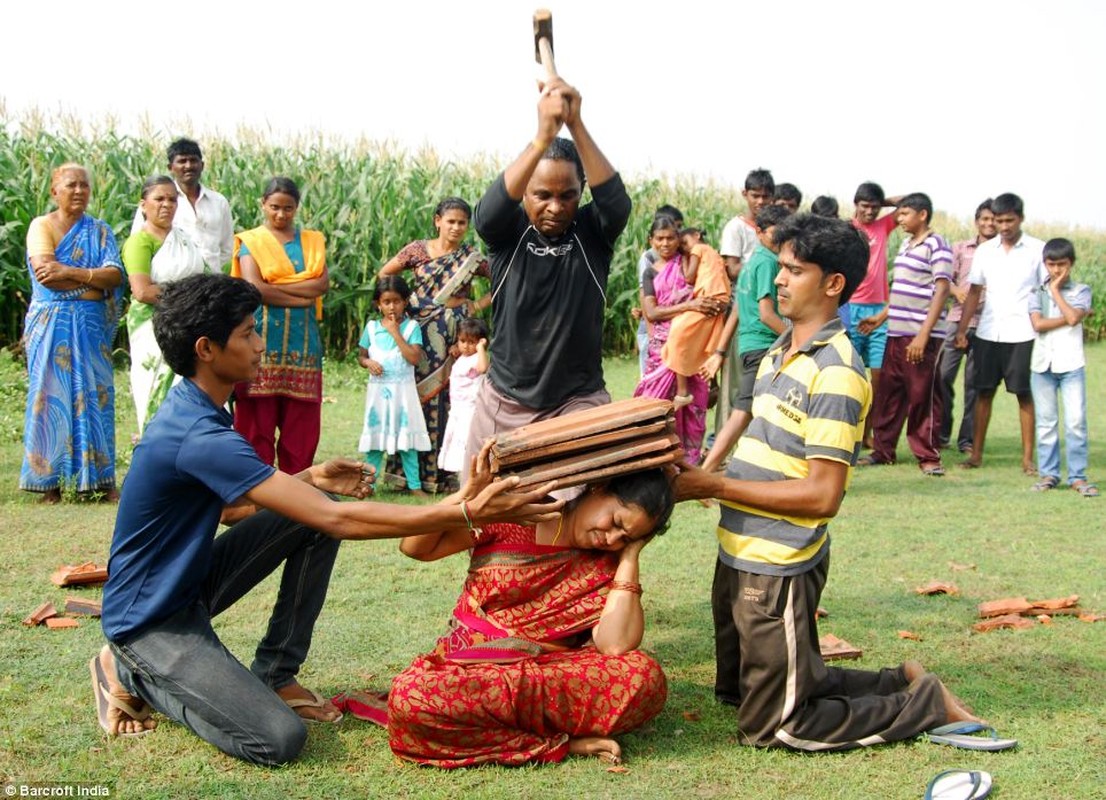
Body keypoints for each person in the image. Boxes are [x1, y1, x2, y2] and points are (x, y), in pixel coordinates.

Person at [93, 273, 561, 766]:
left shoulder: (199, 409)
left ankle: (276, 672)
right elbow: (339, 522)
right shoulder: (198, 432)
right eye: (249, 333)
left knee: (315, 517)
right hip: (149, 620)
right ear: (206, 349)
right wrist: (465, 511)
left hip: (187, 586)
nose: (260, 344)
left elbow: (232, 510)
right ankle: (126, 668)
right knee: (275, 739)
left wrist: (312, 478)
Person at [675, 214, 981, 751]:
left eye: (794, 270)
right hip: (737, 555)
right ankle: (897, 680)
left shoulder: (837, 371)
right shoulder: (780, 349)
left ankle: (925, 705)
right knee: (735, 692)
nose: (779, 280)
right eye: (781, 268)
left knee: (773, 727)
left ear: (833, 283)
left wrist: (715, 486)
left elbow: (822, 495)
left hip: (776, 566)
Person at [386, 467, 675, 767]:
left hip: (540, 680)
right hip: (468, 674)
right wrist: (464, 497)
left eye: (625, 538)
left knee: (644, 676)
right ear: (598, 488)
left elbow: (615, 646)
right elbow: (415, 547)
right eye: (615, 522)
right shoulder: (519, 513)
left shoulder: (606, 566)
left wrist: (629, 557)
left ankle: (494, 729)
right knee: (411, 697)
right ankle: (557, 742)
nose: (611, 538)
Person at [464, 75, 631, 480]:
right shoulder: (506, 233)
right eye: (543, 195)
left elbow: (616, 203)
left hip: (576, 402)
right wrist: (542, 137)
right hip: (504, 400)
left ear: (581, 191)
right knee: (480, 510)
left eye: (568, 195)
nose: (556, 206)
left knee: (572, 516)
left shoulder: (593, 233)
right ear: (524, 193)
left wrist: (575, 122)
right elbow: (485, 213)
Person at [21, 164, 125, 503]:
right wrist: (91, 285)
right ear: (54, 191)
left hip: (90, 329)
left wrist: (69, 271)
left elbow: (114, 276)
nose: (79, 191)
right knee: (49, 398)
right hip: (51, 325)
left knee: (97, 397)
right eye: (70, 185)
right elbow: (45, 277)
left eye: (84, 185)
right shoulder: (41, 226)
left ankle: (101, 481)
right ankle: (47, 484)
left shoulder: (100, 231)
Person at [378, 197, 490, 493]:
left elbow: (502, 279)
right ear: (437, 220)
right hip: (417, 331)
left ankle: (444, 475)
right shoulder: (416, 250)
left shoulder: (471, 257)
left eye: (462, 223)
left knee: (448, 401)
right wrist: (404, 304)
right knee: (413, 399)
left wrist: (475, 305)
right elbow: (385, 274)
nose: (455, 227)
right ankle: (406, 476)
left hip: (453, 336)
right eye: (450, 221)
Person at [231, 177, 328, 474]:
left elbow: (321, 284)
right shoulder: (252, 242)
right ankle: (257, 490)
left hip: (303, 346)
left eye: (288, 208)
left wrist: (279, 287)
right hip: (260, 343)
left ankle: (298, 489)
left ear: (297, 208)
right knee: (255, 425)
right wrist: (301, 297)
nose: (281, 214)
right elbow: (254, 288)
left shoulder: (312, 242)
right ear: (263, 204)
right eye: (274, 207)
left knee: (301, 428)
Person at [858, 194, 952, 475]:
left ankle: (928, 456)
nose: (899, 219)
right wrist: (881, 317)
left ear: (922, 215)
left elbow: (942, 289)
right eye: (898, 214)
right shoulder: (906, 245)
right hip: (896, 332)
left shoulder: (937, 244)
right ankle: (883, 451)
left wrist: (923, 336)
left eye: (905, 214)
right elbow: (902, 290)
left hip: (920, 334)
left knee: (922, 394)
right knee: (890, 393)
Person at [954, 193, 1044, 473]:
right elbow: (974, 292)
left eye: (1009, 220)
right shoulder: (985, 251)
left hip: (1023, 333)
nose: (1004, 226)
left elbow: (1047, 290)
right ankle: (976, 455)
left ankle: (1028, 459)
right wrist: (961, 329)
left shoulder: (1037, 250)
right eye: (999, 220)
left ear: (1021, 218)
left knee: (1024, 394)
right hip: (988, 331)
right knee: (983, 393)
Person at [701, 204, 792, 469]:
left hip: (750, 345)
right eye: (777, 233)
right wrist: (796, 336)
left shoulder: (753, 261)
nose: (782, 239)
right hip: (763, 344)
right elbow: (766, 314)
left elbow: (740, 308)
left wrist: (720, 351)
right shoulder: (766, 263)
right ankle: (707, 471)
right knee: (743, 410)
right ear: (760, 232)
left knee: (758, 408)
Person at [632, 215, 724, 464]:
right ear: (651, 240)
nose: (665, 243)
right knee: (656, 404)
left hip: (692, 344)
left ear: (679, 238)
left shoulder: (690, 265)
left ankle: (688, 462)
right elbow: (651, 312)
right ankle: (653, 457)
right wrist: (690, 305)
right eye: (659, 238)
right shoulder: (650, 273)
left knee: (693, 409)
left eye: (670, 237)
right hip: (662, 347)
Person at [122, 175, 208, 432]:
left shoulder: (184, 239)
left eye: (172, 199)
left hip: (190, 324)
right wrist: (189, 296)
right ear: (143, 204)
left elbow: (204, 278)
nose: (167, 205)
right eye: (159, 199)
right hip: (153, 326)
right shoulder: (140, 241)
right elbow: (142, 291)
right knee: (155, 385)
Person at [1028, 238, 1097, 496]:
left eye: (1062, 265)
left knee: (1076, 422)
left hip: (1071, 364)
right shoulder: (1036, 291)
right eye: (1051, 264)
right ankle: (1049, 474)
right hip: (1042, 365)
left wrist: (1056, 292)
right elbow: (1038, 324)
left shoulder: (1082, 290)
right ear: (1044, 263)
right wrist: (1070, 317)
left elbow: (1072, 317)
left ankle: (1077, 476)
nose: (1056, 270)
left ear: (1072, 264)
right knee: (1046, 423)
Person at [357, 275, 431, 497]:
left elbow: (414, 358)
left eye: (396, 301)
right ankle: (368, 484)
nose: (391, 307)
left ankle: (415, 486)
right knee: (375, 443)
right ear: (378, 304)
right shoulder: (371, 329)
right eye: (386, 302)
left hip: (403, 395)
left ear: (405, 302)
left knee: (407, 442)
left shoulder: (411, 328)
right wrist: (368, 362)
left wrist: (394, 332)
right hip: (378, 395)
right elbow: (361, 356)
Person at [715, 169, 776, 435]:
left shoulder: (775, 227)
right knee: (735, 385)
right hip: (742, 310)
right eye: (755, 196)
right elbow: (732, 269)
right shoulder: (736, 227)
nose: (760, 202)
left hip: (767, 308)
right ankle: (721, 442)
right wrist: (762, 264)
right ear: (745, 195)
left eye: (765, 196)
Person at [849, 182, 904, 447]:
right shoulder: (847, 229)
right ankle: (850, 433)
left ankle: (867, 434)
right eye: (865, 206)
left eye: (874, 206)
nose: (870, 211)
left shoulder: (883, 226)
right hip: (852, 308)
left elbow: (912, 201)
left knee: (878, 378)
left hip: (880, 310)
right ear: (855, 205)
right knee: (851, 375)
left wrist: (884, 202)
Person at [938, 199, 995, 453]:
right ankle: (942, 432)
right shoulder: (961, 248)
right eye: (984, 219)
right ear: (977, 222)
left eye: (993, 219)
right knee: (941, 377)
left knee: (974, 384)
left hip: (988, 325)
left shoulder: (1001, 252)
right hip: (957, 320)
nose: (989, 223)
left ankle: (967, 439)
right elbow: (943, 279)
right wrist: (957, 290)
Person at [131, 138, 234, 272]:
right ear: (170, 167)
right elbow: (139, 239)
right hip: (173, 284)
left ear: (202, 165)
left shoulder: (219, 202)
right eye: (182, 161)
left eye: (193, 160)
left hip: (213, 284)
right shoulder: (155, 202)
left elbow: (227, 249)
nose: (188, 166)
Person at [663, 227, 730, 407]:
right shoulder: (712, 252)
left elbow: (689, 277)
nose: (684, 248)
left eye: (684, 243)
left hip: (710, 299)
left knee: (678, 330)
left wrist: (684, 258)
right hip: (719, 299)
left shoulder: (698, 249)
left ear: (697, 236)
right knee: (707, 342)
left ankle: (683, 392)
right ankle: (712, 385)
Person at [634, 204, 684, 378]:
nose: (666, 242)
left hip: (676, 326)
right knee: (653, 375)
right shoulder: (649, 259)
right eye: (660, 237)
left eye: (676, 230)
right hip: (654, 326)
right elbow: (645, 295)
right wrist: (652, 334)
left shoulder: (683, 259)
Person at [437, 317, 489, 475]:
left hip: (469, 409)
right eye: (462, 341)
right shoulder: (463, 358)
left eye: (471, 342)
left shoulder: (477, 358)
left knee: (466, 442)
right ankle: (462, 475)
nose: (466, 346)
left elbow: (483, 368)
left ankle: (469, 473)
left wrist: (481, 349)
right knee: (456, 441)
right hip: (458, 409)